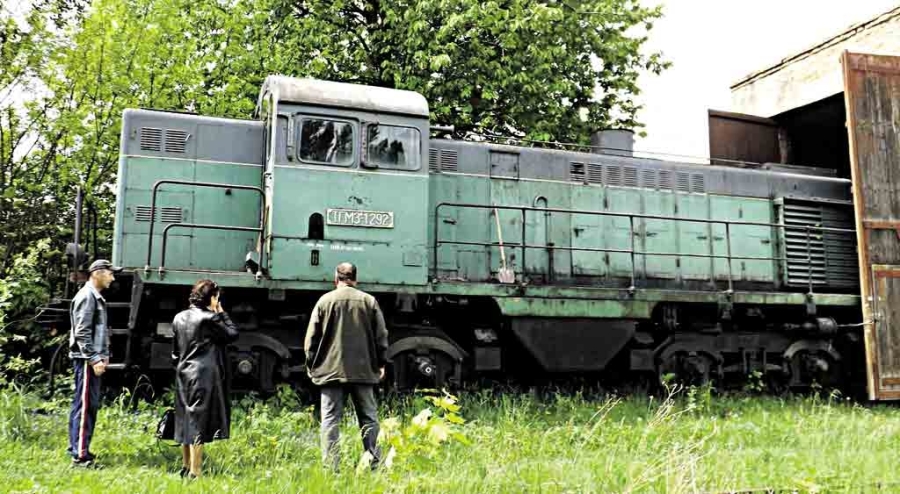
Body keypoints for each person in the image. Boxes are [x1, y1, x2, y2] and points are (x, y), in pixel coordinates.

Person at [305, 262, 389, 471]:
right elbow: (381, 338)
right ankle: (375, 465)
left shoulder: (324, 301)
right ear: (355, 279)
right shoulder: (369, 302)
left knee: (330, 420)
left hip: (331, 371)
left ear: (336, 278)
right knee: (369, 418)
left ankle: (331, 469)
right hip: (363, 371)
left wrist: (311, 364)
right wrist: (380, 364)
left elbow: (311, 339)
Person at [172, 279, 239, 478]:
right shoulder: (210, 319)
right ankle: (196, 472)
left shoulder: (178, 317)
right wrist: (221, 312)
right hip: (202, 375)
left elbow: (175, 352)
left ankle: (185, 466)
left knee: (185, 419)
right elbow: (232, 334)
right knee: (197, 422)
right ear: (212, 297)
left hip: (183, 372)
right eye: (217, 297)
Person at [67, 259, 122, 468]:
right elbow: (82, 332)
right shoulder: (87, 297)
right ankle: (80, 457)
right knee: (85, 407)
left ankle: (77, 447)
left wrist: (102, 354)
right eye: (110, 273)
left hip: (88, 359)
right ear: (97, 273)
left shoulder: (93, 296)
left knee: (83, 405)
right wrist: (94, 358)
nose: (113, 277)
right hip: (86, 361)